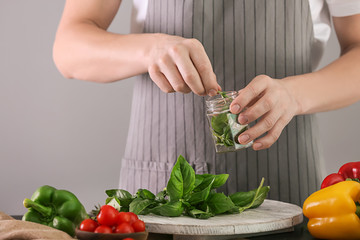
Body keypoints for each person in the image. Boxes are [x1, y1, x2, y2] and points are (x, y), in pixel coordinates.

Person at [53, 0, 360, 206]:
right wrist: (148, 50)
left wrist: (294, 95)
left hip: (285, 180)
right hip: (163, 184)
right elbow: (69, 47)